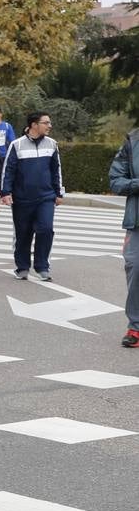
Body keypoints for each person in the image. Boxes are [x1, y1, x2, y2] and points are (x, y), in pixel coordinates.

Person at [0, 112, 65, 282]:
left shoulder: (52, 144)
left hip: (46, 197)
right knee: (23, 233)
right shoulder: (17, 145)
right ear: (34, 125)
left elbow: (56, 170)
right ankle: (22, 267)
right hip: (22, 198)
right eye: (46, 123)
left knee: (45, 229)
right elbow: (8, 170)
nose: (49, 126)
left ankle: (42, 266)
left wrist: (59, 193)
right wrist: (5, 192)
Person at [109, 123, 139, 348]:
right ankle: (136, 327)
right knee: (135, 268)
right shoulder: (132, 141)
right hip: (137, 222)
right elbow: (116, 181)